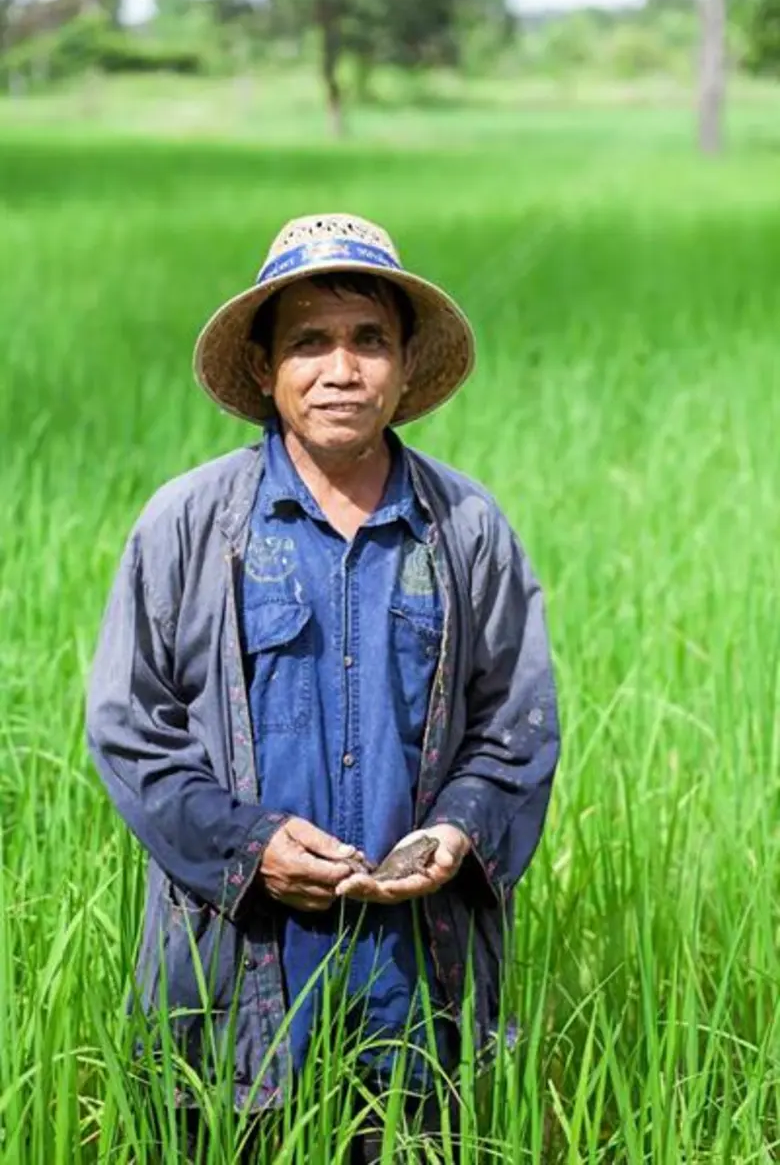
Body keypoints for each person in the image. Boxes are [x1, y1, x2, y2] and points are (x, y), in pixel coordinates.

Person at [86, 213, 561, 1160]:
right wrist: (251, 846)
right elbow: (130, 730)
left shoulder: (465, 530)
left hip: (415, 989)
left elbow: (517, 722)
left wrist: (458, 827)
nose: (340, 368)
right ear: (266, 369)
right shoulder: (187, 528)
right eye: (309, 341)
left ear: (403, 363)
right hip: (234, 994)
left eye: (367, 339)